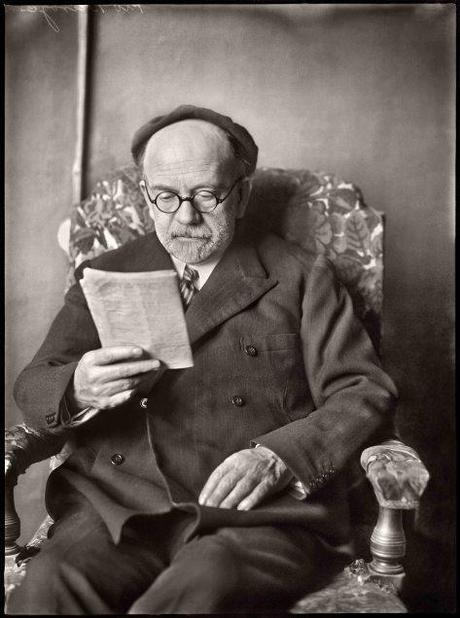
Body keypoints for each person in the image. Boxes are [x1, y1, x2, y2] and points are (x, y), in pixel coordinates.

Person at [10, 105, 398, 614]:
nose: (185, 217)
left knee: (198, 591)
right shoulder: (105, 274)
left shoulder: (302, 276)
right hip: (119, 507)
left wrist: (278, 457)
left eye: (207, 195)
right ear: (146, 195)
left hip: (259, 515)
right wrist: (78, 386)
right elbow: (35, 386)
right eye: (166, 197)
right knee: (49, 588)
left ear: (242, 195)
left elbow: (362, 391)